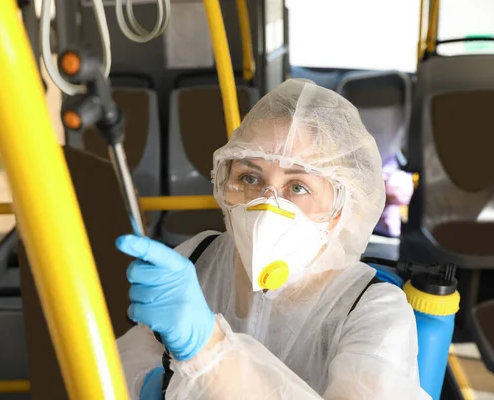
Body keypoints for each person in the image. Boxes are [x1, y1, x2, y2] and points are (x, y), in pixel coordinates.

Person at [115, 79, 430, 399]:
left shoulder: (372, 310)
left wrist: (208, 351)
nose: (266, 205)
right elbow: (127, 365)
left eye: (297, 187)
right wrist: (153, 384)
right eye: (249, 178)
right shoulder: (198, 257)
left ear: (340, 209)